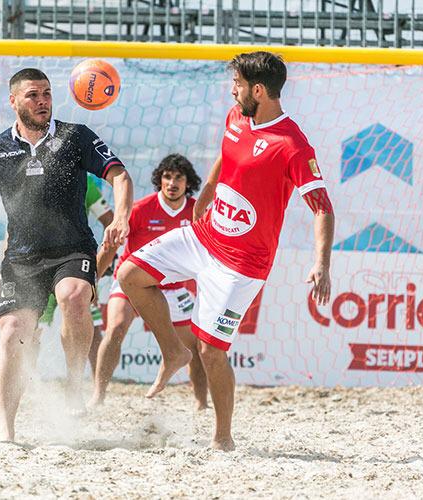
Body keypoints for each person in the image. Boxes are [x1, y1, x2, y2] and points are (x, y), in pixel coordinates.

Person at [118, 51, 335, 451]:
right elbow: (225, 150)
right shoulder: (237, 116)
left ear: (259, 90)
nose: (231, 90)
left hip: (243, 265)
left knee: (212, 352)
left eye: (237, 84)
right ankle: (172, 352)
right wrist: (209, 189)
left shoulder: (292, 145)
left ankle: (223, 438)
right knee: (129, 274)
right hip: (205, 235)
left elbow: (322, 206)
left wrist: (321, 263)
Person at [0, 68, 133, 442]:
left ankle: (73, 382)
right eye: (33, 95)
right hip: (22, 256)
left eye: (47, 94)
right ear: (14, 101)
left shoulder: (75, 136)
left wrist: (120, 217)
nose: (42, 101)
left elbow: (120, 175)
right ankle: (5, 428)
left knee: (73, 297)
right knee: (13, 334)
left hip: (72, 248)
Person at [90, 154, 206, 408]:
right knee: (116, 328)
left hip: (173, 288)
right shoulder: (141, 209)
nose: (172, 183)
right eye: (167, 177)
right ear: (159, 180)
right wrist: (93, 281)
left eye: (178, 177)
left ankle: (201, 403)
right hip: (131, 280)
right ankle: (98, 395)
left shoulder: (197, 211)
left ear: (189, 183)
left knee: (194, 346)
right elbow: (110, 248)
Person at [38, 174, 115, 376]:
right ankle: (27, 383)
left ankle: (96, 389)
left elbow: (110, 221)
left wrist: (102, 261)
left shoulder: (86, 181)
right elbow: (15, 223)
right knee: (31, 329)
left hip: (75, 263)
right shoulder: (32, 171)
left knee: (88, 325)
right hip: (38, 265)